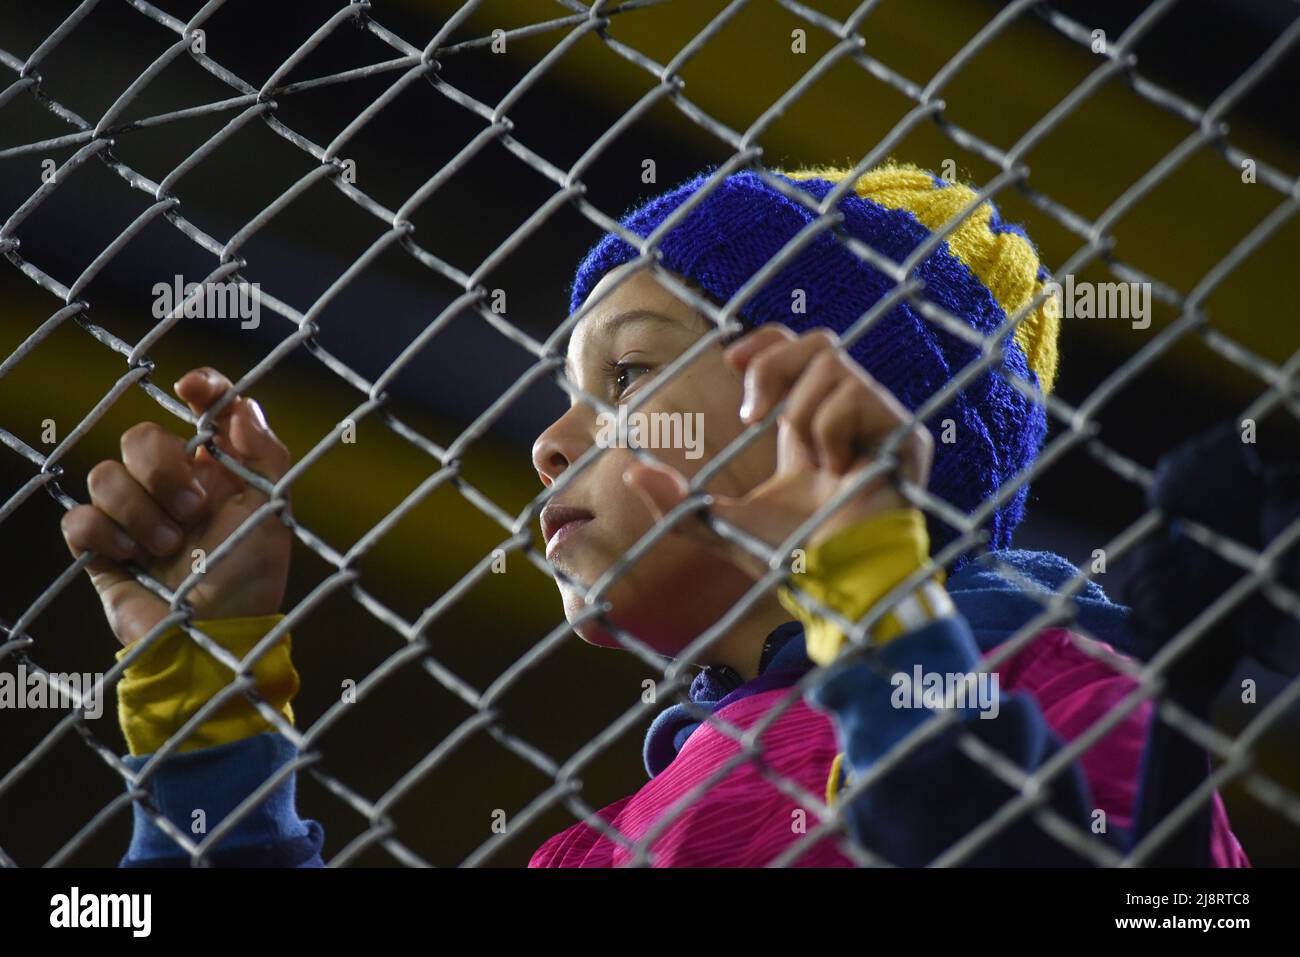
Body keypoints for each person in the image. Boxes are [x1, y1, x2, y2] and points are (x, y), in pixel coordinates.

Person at [61, 162, 1249, 866]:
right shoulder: (602, 840)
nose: (546, 442)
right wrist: (208, 711)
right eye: (564, 395)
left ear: (823, 409)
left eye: (624, 378)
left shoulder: (1075, 695)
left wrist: (879, 613)